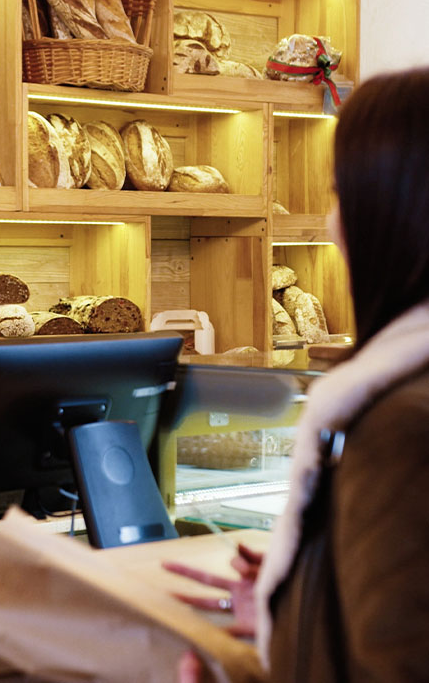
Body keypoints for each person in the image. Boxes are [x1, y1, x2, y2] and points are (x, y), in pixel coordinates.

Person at [165, 67, 429, 682]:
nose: (331, 221)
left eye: (338, 192)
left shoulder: (401, 431)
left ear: (384, 209)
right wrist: (306, 599)